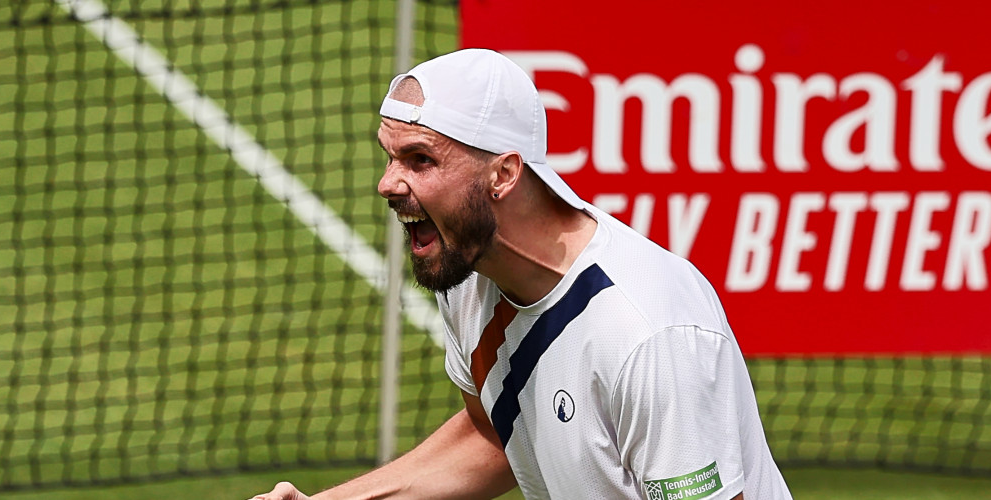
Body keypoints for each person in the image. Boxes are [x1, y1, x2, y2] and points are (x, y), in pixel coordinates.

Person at [252, 48, 791, 500]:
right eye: (389, 157)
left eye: (419, 160)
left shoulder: (648, 335)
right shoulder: (466, 267)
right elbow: (496, 433)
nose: (387, 184)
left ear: (504, 174)